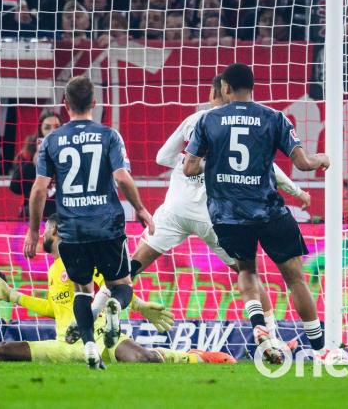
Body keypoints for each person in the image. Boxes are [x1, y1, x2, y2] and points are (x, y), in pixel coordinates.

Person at [126, 74, 311, 344]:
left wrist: (193, 163)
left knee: (131, 266)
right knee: (247, 272)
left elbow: (163, 157)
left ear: (217, 92)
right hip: (216, 215)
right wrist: (296, 191)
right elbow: (268, 167)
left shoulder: (196, 120)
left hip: (176, 211)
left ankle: (95, 312)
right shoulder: (247, 121)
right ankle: (270, 338)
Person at [0, 216, 235, 364]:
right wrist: (13, 297)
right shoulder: (54, 269)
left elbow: (114, 290)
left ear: (55, 230)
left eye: (46, 227)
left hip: (108, 339)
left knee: (145, 360)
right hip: (67, 345)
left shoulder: (86, 258)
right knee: (6, 349)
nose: (43, 232)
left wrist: (143, 305)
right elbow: (56, 308)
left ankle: (194, 358)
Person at [183, 63, 336, 363]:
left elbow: (189, 167)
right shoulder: (274, 118)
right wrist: (323, 158)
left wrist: (216, 165)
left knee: (246, 271)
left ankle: (259, 328)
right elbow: (304, 163)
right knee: (295, 278)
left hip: (227, 214)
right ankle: (320, 350)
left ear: (225, 87)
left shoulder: (208, 120)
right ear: (252, 87)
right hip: (268, 211)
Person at [23, 75, 153, 369]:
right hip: (107, 225)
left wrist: (33, 231)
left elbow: (39, 189)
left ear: (65, 104)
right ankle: (115, 307)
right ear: (94, 103)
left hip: (72, 229)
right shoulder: (109, 135)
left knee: (82, 289)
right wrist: (142, 210)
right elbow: (121, 178)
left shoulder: (51, 141)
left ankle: (90, 348)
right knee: (121, 285)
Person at [8, 110, 60, 220]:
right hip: (32, 215)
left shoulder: (71, 151)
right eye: (47, 128)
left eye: (56, 127)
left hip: (60, 216)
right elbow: (14, 187)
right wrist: (32, 164)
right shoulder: (29, 151)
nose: (52, 132)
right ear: (40, 132)